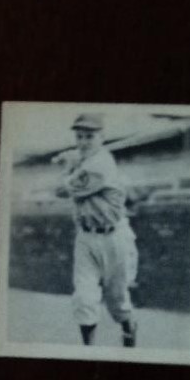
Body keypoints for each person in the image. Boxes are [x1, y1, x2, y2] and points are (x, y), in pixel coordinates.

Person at [54, 113, 139, 347]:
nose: (83, 142)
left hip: (115, 238)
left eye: (89, 137)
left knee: (118, 301)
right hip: (86, 236)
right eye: (79, 136)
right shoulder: (86, 161)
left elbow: (60, 191)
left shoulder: (101, 165)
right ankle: (87, 351)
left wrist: (68, 165)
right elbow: (76, 176)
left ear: (102, 137)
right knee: (84, 298)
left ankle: (129, 335)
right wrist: (74, 161)